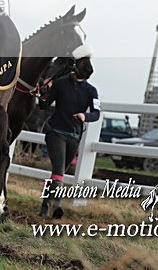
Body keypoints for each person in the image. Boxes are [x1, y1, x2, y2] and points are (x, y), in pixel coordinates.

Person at [38, 46, 99, 219]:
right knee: (59, 169)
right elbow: (44, 105)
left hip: (74, 136)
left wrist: (84, 116)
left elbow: (96, 113)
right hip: (55, 131)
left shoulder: (91, 91)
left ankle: (45, 205)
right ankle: (57, 205)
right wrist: (43, 92)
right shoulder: (60, 83)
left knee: (59, 173)